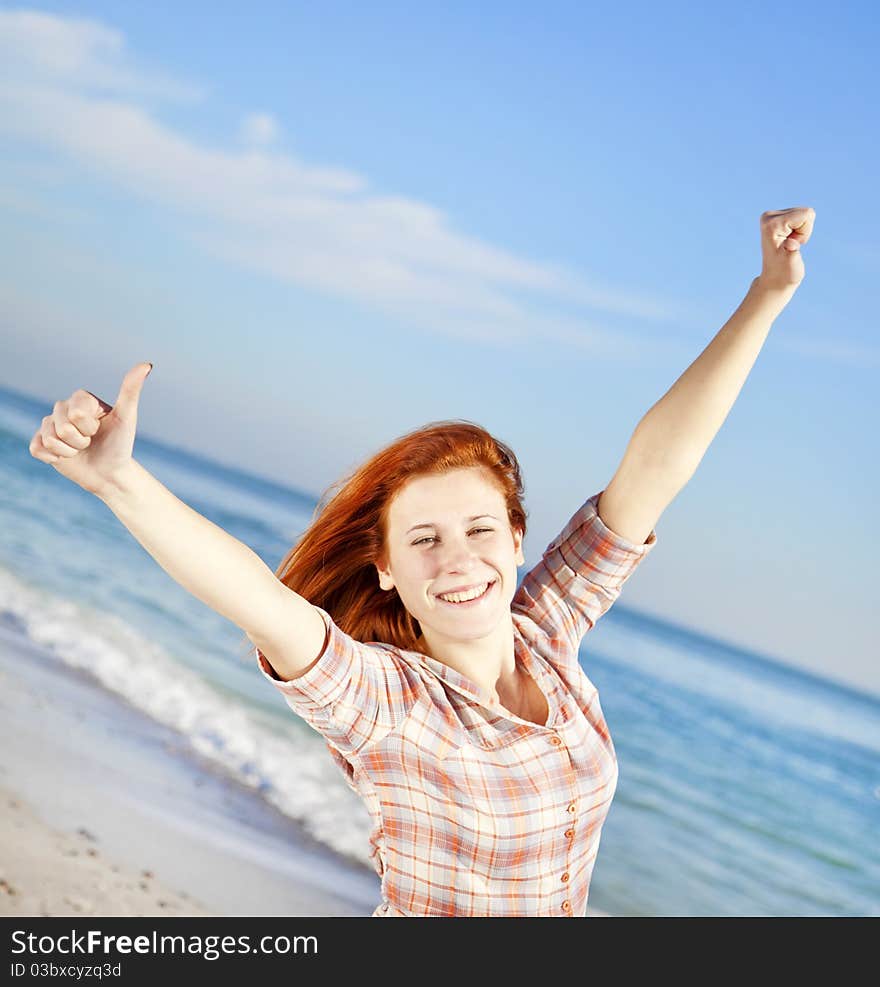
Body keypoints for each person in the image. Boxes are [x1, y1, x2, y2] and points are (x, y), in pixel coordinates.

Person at [28, 207, 815, 916]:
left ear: (515, 540)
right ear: (385, 567)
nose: (458, 561)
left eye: (478, 531)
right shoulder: (389, 706)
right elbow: (258, 600)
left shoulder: (547, 630)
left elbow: (654, 467)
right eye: (424, 540)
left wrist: (768, 294)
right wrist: (119, 481)